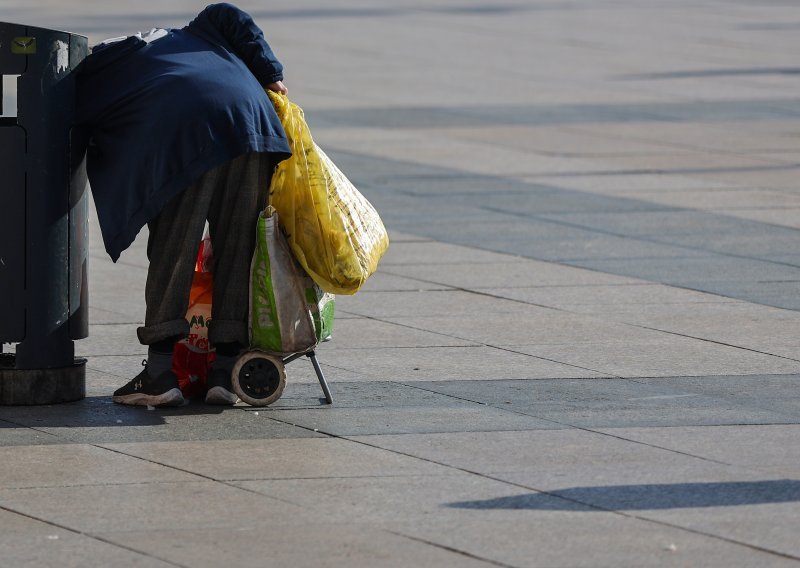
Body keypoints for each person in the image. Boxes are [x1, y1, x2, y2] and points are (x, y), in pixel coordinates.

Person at [76, 3, 292, 407]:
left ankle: (159, 376)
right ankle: (226, 375)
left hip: (185, 135)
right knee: (239, 249)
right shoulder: (192, 33)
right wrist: (271, 72)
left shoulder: (95, 68)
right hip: (252, 126)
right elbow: (229, 13)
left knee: (173, 248)